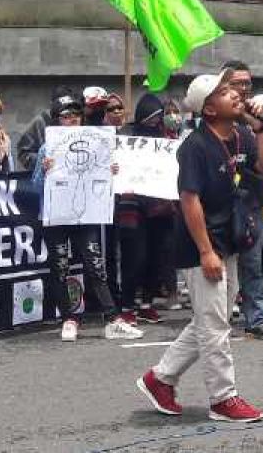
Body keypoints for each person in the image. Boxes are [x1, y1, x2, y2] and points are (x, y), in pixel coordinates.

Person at [135, 69, 263, 423]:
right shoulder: (194, 146)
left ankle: (160, 378)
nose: (236, 94)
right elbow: (189, 200)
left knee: (213, 318)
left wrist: (261, 132)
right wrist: (206, 252)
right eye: (225, 91)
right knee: (214, 324)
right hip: (202, 244)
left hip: (229, 238)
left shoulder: (242, 134)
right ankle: (223, 398)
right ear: (208, 109)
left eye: (233, 89)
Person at [29, 96, 142, 343]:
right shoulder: (46, 148)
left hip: (85, 214)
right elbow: (36, 187)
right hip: (56, 215)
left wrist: (110, 173)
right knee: (59, 266)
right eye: (66, 116)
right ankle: (69, 318)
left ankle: (112, 318)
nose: (72, 120)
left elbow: (104, 179)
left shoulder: (96, 144)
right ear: (57, 119)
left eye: (75, 116)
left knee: (95, 265)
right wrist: (44, 170)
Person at [219, 61, 263, 340]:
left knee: (252, 265)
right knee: (219, 269)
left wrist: (260, 129)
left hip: (250, 204)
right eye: (236, 83)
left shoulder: (255, 122)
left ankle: (256, 319)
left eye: (247, 84)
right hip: (217, 207)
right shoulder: (212, 120)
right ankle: (216, 320)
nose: (243, 90)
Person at [118, 93, 179, 325]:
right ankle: (127, 306)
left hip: (161, 207)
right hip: (132, 207)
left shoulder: (167, 140)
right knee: (135, 258)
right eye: (150, 118)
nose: (155, 122)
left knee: (158, 257)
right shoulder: (127, 137)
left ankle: (146, 304)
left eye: (158, 118)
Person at [18, 87, 77, 171]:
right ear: (52, 105)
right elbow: (24, 154)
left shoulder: (77, 121)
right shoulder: (40, 123)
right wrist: (42, 162)